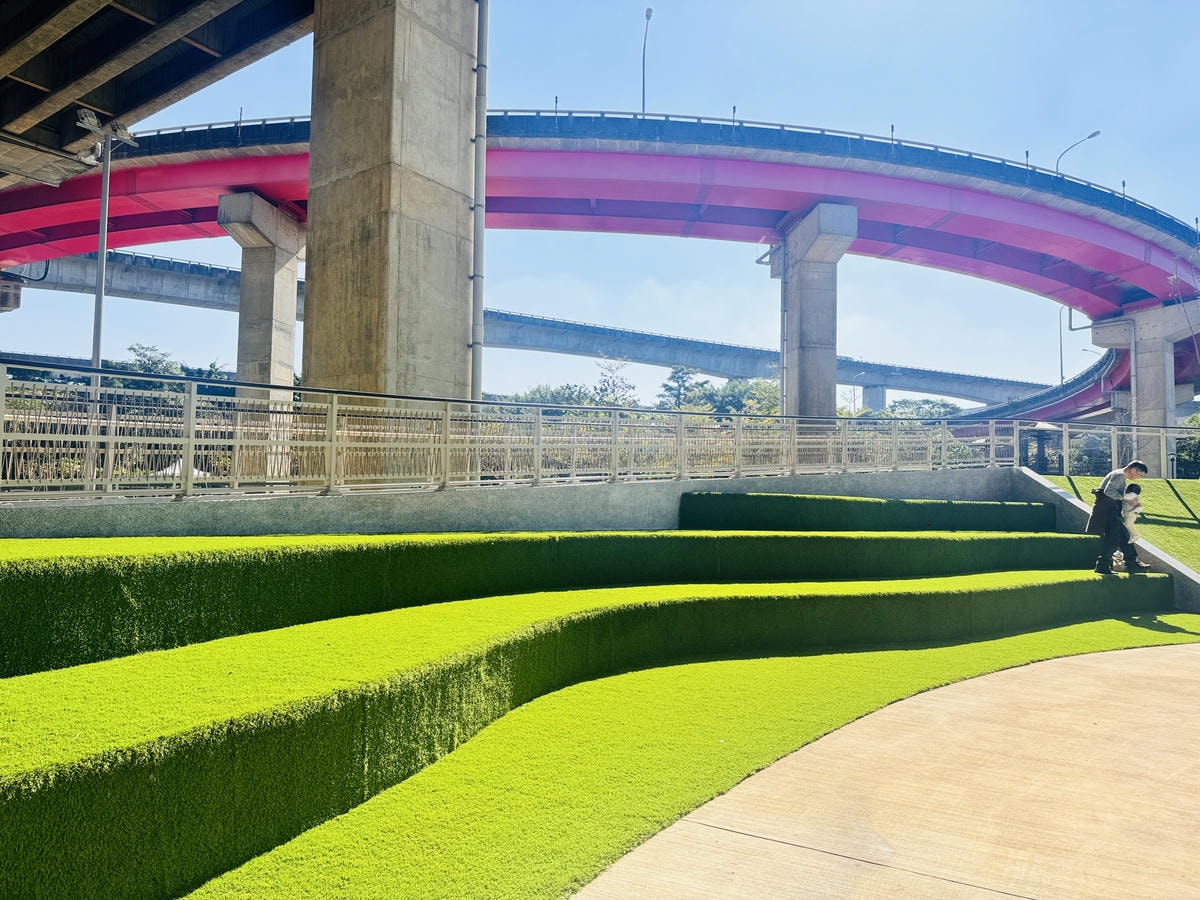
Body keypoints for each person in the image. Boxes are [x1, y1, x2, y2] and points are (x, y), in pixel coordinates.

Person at [1085, 460, 1149, 574]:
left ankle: (1130, 563)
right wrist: (1125, 498)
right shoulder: (1120, 475)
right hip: (1108, 511)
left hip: (1109, 511)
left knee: (1122, 537)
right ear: (1133, 470)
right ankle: (1111, 565)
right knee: (1117, 538)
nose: (1138, 477)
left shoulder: (1119, 474)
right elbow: (1109, 492)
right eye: (1139, 474)